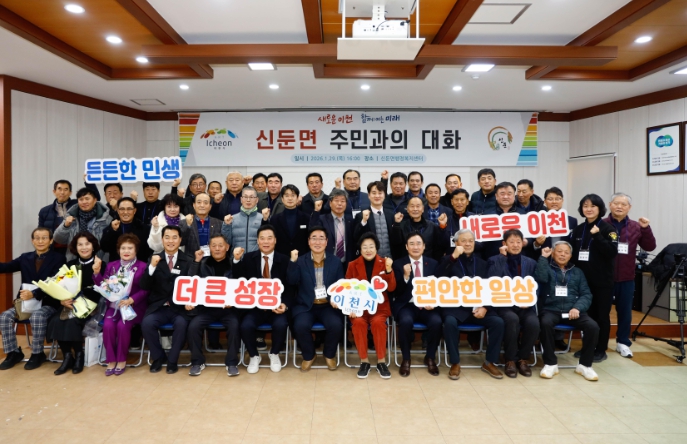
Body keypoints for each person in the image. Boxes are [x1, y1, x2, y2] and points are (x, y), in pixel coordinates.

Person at [438, 229, 504, 380]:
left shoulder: (482, 262)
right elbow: (438, 278)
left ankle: (489, 362)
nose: (467, 244)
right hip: (455, 308)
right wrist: (453, 257)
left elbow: (490, 287)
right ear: (456, 243)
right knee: (449, 322)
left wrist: (485, 307)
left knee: (498, 322)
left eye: (471, 241)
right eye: (463, 241)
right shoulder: (448, 260)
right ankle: (455, 363)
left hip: (478, 308)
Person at [0, 228, 66, 370]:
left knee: (37, 316)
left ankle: (37, 354)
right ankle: (13, 353)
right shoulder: (25, 257)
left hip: (48, 303)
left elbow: (55, 281)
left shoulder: (59, 258)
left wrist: (35, 293)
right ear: (32, 240)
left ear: (51, 240)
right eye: (37, 238)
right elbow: (6, 267)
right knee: (4, 316)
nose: (40, 241)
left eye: (44, 238)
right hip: (26, 304)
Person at [234, 225, 294, 374]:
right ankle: (254, 356)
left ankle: (274, 353)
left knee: (281, 324)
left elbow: (290, 287)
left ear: (275, 240)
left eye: (269, 238)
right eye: (262, 238)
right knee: (245, 325)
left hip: (276, 306)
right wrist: (236, 260)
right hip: (254, 307)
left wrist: (284, 304)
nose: (266, 242)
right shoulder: (248, 258)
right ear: (257, 241)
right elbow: (239, 281)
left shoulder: (284, 260)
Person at [536, 242, 600, 381]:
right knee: (545, 323)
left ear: (571, 255)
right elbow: (540, 278)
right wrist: (543, 258)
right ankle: (550, 363)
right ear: (553, 253)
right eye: (559, 251)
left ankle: (585, 365)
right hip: (551, 309)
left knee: (593, 326)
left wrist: (577, 308)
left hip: (573, 311)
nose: (563, 255)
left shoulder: (578, 272)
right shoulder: (546, 267)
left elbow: (586, 294)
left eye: (566, 252)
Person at [604, 192, 656, 358]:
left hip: (626, 277)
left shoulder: (636, 226)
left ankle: (623, 342)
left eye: (623, 204)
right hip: (604, 278)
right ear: (610, 205)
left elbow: (650, 246)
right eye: (616, 203)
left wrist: (646, 229)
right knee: (602, 311)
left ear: (629, 207)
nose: (619, 207)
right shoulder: (602, 224)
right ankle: (600, 342)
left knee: (625, 311)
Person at [287, 226, 345, 372]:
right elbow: (292, 281)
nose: (317, 242)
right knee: (300, 326)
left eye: (321, 238)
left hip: (328, 305)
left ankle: (329, 355)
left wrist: (337, 299)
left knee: (336, 325)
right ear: (308, 241)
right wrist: (292, 262)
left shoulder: (336, 261)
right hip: (306, 305)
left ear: (326, 242)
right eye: (314, 238)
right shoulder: (300, 261)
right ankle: (309, 355)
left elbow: (341, 285)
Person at [569, 194, 618, 362]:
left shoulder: (608, 229)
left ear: (600, 209)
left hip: (602, 282)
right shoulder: (578, 229)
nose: (588, 209)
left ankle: (601, 349)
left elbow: (612, 252)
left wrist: (597, 236)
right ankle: (588, 347)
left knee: (602, 316)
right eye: (585, 206)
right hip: (583, 282)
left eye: (592, 206)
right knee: (586, 317)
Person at [140, 226, 195, 374]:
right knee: (147, 324)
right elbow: (144, 285)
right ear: (162, 239)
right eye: (167, 237)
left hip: (179, 308)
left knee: (182, 325)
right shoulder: (153, 259)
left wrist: (189, 301)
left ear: (180, 240)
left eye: (175, 237)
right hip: (159, 307)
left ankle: (172, 360)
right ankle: (158, 357)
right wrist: (152, 267)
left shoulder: (188, 260)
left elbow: (193, 286)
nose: (171, 241)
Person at [186, 235, 243, 377]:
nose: (217, 249)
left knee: (235, 326)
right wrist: (196, 261)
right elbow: (190, 281)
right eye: (214, 245)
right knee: (193, 326)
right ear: (209, 248)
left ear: (227, 247)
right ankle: (197, 362)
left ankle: (231, 363)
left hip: (228, 309)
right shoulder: (202, 263)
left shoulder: (234, 264)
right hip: (207, 309)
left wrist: (233, 301)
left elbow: (242, 285)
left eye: (220, 245)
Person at [92, 234, 148, 375]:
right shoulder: (112, 266)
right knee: (108, 326)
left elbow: (146, 289)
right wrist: (97, 273)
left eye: (130, 248)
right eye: (123, 248)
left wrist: (132, 299)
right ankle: (111, 360)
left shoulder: (143, 266)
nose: (126, 251)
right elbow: (103, 286)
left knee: (122, 326)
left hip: (134, 307)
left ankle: (122, 359)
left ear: (136, 250)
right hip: (114, 306)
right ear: (118, 250)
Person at [47, 232, 102, 375]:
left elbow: (103, 289)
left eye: (87, 244)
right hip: (70, 304)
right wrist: (62, 299)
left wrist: (97, 272)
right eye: (80, 244)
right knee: (56, 320)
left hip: (91, 306)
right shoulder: (70, 265)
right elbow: (59, 285)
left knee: (72, 321)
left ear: (93, 246)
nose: (84, 247)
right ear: (75, 248)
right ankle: (67, 356)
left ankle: (79, 355)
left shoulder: (100, 264)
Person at [488, 229, 540, 378]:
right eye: (511, 242)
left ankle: (523, 359)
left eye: (518, 242)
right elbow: (492, 279)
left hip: (525, 305)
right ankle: (510, 359)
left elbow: (537, 285)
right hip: (504, 305)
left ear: (523, 243)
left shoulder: (531, 262)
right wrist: (502, 257)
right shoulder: (494, 260)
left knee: (533, 322)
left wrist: (530, 300)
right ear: (504, 243)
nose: (515, 245)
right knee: (512, 320)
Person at [345, 233, 396, 379]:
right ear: (360, 249)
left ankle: (381, 362)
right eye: (365, 247)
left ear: (376, 248)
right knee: (358, 323)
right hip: (359, 308)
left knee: (378, 323)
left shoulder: (384, 263)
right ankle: (364, 361)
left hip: (379, 308)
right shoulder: (352, 265)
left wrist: (389, 271)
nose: (368, 250)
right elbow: (348, 289)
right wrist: (351, 308)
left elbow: (391, 288)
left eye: (371, 247)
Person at [391, 232, 441, 377]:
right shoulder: (398, 264)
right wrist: (405, 276)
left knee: (437, 321)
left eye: (418, 243)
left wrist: (433, 302)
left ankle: (430, 357)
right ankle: (406, 359)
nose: (415, 247)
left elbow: (438, 288)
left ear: (424, 246)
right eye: (411, 244)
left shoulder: (433, 263)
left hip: (427, 305)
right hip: (407, 304)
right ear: (406, 247)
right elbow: (395, 291)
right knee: (405, 321)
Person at [53, 187, 112, 260]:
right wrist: (65, 226)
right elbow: (58, 239)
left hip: (99, 259)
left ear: (95, 200)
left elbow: (110, 243)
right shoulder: (71, 216)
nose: (84, 202)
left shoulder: (106, 218)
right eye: (81, 199)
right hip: (74, 260)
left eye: (87, 199)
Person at [391, 196, 448, 261]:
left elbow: (442, 244)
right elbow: (395, 244)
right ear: (407, 209)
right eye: (412, 206)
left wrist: (442, 226)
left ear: (423, 209)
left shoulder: (432, 226)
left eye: (418, 206)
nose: (415, 209)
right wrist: (396, 224)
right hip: (406, 263)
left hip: (428, 263)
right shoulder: (401, 226)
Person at [481, 182, 528, 260]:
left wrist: (527, 241)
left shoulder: (523, 214)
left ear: (514, 196)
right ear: (496, 196)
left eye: (509, 194)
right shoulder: (487, 215)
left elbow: (531, 236)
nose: (506, 197)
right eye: (502, 194)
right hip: (493, 257)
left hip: (518, 258)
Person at [309, 188, 356, 267]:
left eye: (342, 201)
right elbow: (312, 230)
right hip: (328, 262)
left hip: (347, 263)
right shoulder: (322, 219)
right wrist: (316, 211)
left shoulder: (350, 220)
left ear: (346, 204)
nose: (339, 204)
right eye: (336, 200)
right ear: (330, 203)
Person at [99, 197, 153, 262]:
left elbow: (149, 251)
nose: (125, 212)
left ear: (134, 211)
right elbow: (104, 248)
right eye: (122, 209)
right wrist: (113, 231)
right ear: (118, 211)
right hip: (116, 266)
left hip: (138, 265)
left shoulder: (145, 229)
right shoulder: (112, 227)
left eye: (129, 209)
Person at [354, 181, 394, 260]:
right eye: (374, 193)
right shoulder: (361, 215)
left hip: (390, 259)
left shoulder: (391, 215)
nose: (377, 196)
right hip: (370, 259)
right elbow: (356, 237)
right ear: (368, 195)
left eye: (380, 193)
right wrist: (363, 221)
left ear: (384, 195)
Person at [267, 184, 310, 257]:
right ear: (282, 199)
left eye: (293, 195)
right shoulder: (274, 219)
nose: (290, 198)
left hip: (302, 257)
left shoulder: (306, 218)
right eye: (287, 196)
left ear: (297, 198)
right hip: (281, 257)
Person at [221, 186, 263, 256]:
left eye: (251, 197)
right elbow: (226, 242)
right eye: (245, 197)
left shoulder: (263, 218)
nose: (248, 200)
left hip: (256, 258)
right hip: (237, 257)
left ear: (257, 200)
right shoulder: (232, 218)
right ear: (241, 199)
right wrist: (226, 225)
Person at [38, 179, 76, 254]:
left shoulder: (77, 206)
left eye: (65, 189)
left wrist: (87, 182)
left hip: (73, 249)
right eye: (59, 189)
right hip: (53, 249)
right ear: (54, 191)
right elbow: (40, 232)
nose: (62, 192)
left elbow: (95, 198)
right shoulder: (44, 211)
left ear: (70, 192)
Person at [445, 189, 475, 255]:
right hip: (453, 256)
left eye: (462, 200)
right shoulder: (447, 220)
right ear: (452, 202)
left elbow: (482, 243)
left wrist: (465, 245)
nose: (459, 202)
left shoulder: (475, 218)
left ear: (467, 202)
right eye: (456, 200)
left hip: (472, 256)